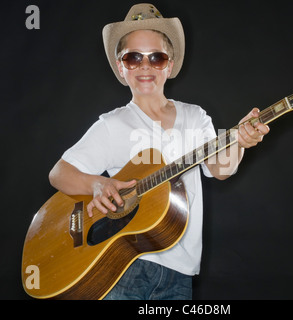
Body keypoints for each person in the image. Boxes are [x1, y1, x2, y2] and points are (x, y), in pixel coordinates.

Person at [49, 3, 269, 300]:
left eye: (156, 57)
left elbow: (220, 169)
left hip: (181, 270)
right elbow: (59, 173)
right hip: (124, 264)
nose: (145, 66)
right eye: (133, 57)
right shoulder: (113, 125)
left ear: (170, 64)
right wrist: (97, 184)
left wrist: (239, 143)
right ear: (121, 67)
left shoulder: (195, 116)